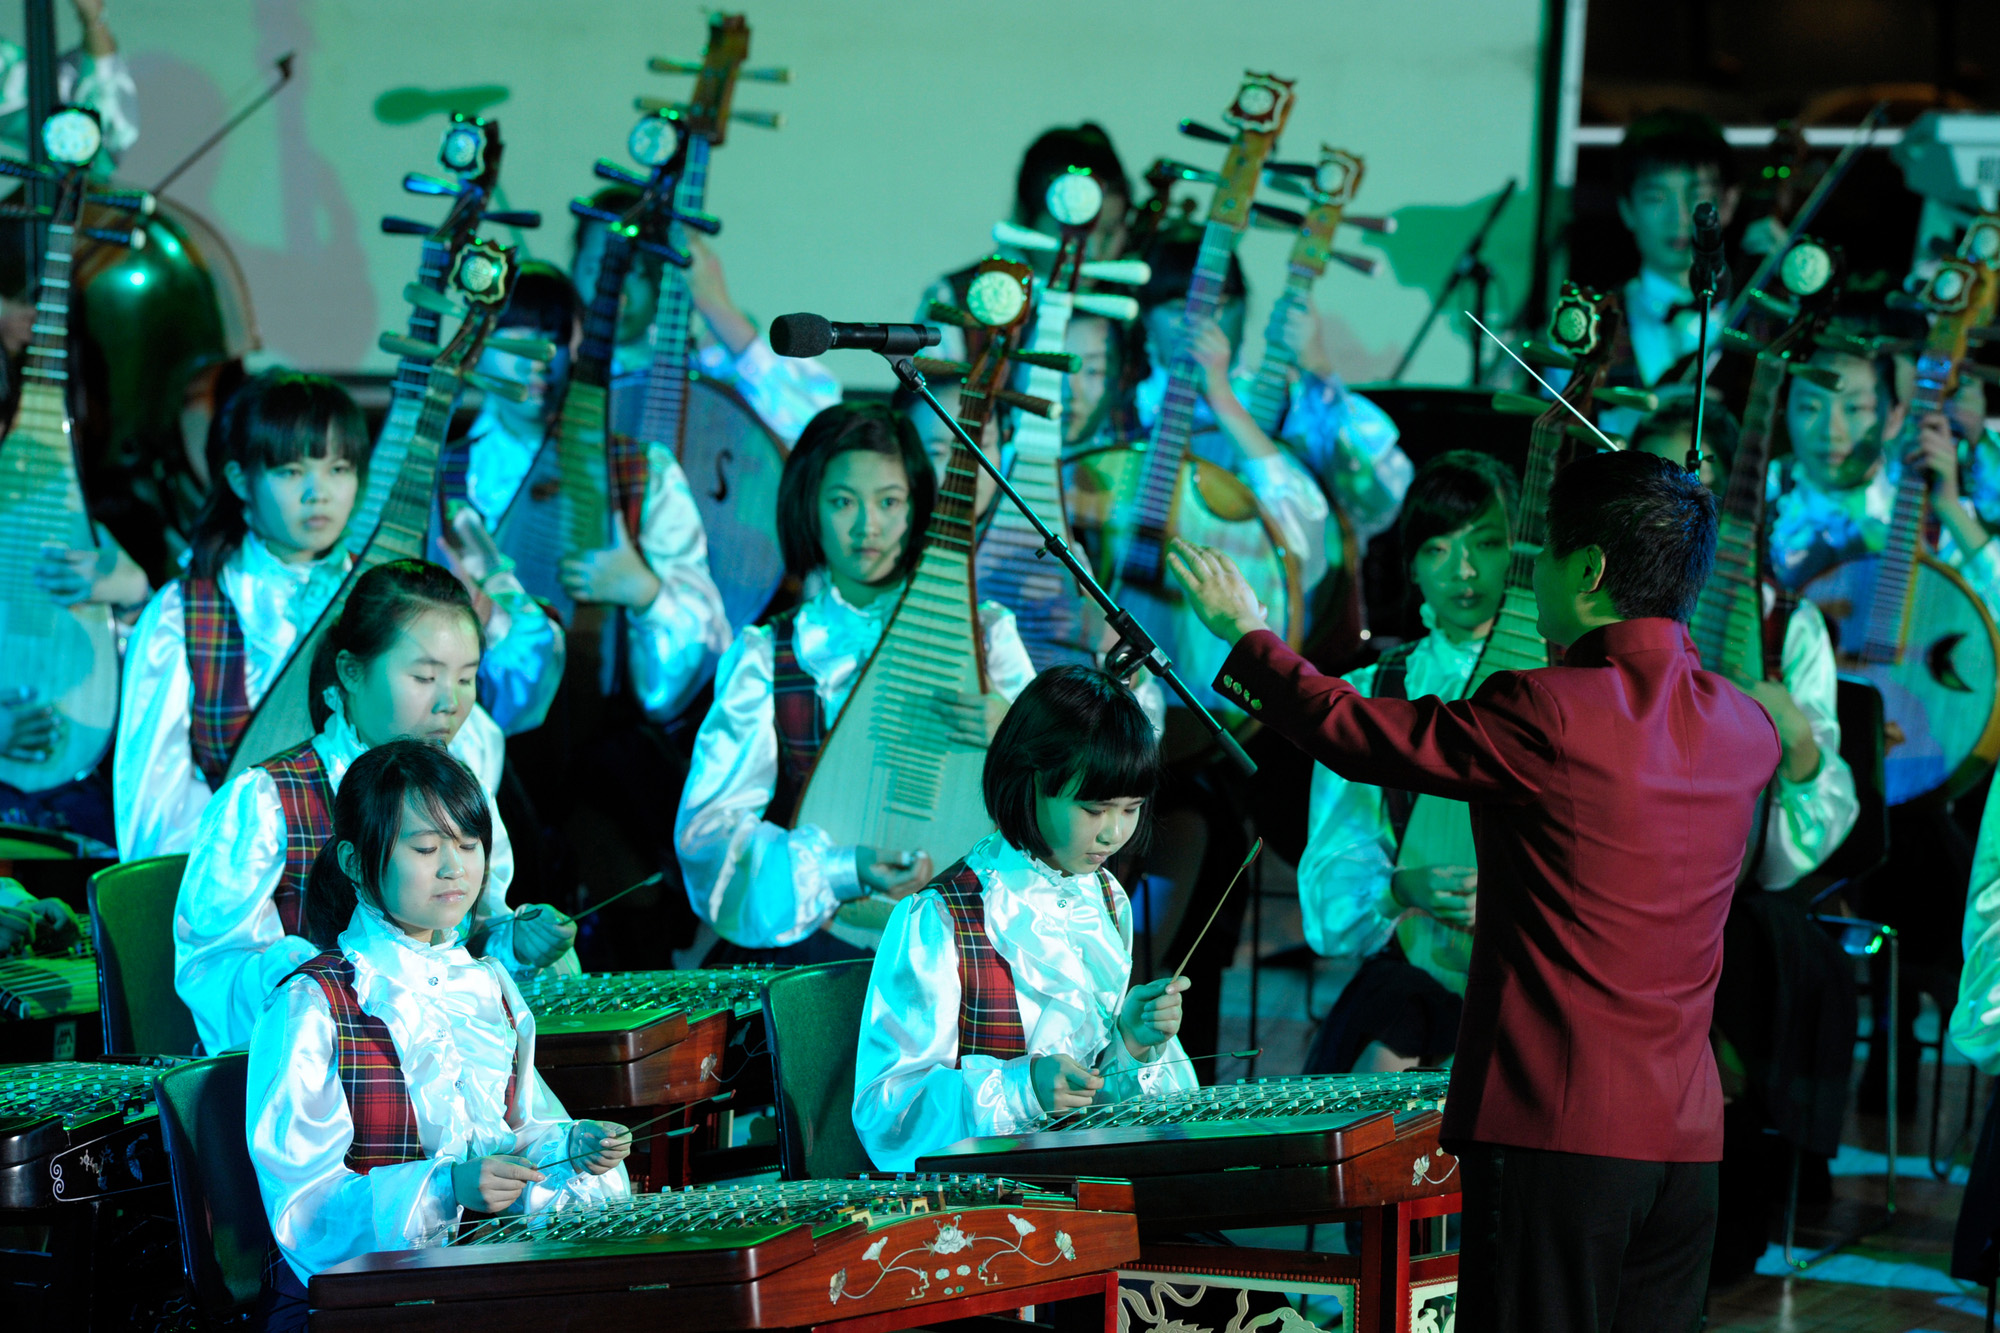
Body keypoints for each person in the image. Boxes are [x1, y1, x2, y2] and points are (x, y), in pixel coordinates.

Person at [1169, 449, 1780, 1329]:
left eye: (1537, 560)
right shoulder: (1745, 728)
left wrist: (1247, 635)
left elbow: (1353, 732)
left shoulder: (1547, 708)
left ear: (1589, 569)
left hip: (1556, 1134)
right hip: (1686, 1144)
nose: (1526, 582)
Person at [246, 740, 629, 1332]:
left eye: (469, 845)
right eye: (425, 848)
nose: (455, 868)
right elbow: (305, 1207)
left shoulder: (485, 987)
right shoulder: (313, 1004)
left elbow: (512, 1129)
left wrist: (571, 1149)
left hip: (472, 1284)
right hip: (361, 1307)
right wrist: (445, 1188)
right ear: (353, 861)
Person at [676, 402, 1035, 963]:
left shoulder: (985, 635)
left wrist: (1018, 734)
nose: (868, 526)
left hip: (966, 939)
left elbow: (1065, 807)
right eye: (843, 502)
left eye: (889, 502)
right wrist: (845, 867)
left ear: (919, 507)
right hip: (822, 939)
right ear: (809, 508)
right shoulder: (767, 654)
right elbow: (709, 833)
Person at [175, 560, 576, 1054]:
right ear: (351, 671)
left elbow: (474, 941)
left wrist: (515, 944)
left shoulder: (461, 792)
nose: (449, 702)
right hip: (311, 1077)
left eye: (467, 679)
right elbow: (213, 972)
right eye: (425, 677)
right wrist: (318, 979)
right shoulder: (267, 800)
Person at [1770, 331, 1995, 1111]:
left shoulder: (1920, 510)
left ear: (1897, 413)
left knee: (1934, 857)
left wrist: (1955, 511)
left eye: (1858, 406)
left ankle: (1905, 1035)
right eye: (1810, 404)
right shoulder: (1759, 504)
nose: (1833, 428)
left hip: (1915, 782)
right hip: (1784, 772)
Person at [853, 666, 1193, 1171]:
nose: (1113, 834)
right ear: (1029, 781)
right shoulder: (940, 918)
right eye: (1095, 809)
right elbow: (888, 1112)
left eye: (1131, 809)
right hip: (982, 1209)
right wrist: (1021, 1090)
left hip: (1086, 1184)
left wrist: (1131, 1041)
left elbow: (1098, 1092)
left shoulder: (1103, 897)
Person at [1296, 452, 1518, 1076]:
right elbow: (1335, 885)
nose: (1465, 571)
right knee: (1384, 1065)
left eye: (1488, 543)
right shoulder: (1373, 692)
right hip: (1415, 963)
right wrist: (1402, 888)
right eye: (1437, 550)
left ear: (1523, 554)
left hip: (1530, 971)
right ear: (1413, 567)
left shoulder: (1561, 685)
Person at [115, 372, 368, 861]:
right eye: (291, 471)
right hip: (231, 890)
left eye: (339, 469)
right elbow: (155, 805)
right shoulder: (184, 613)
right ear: (239, 479)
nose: (319, 493)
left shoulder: (383, 599)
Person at [572, 190, 841, 449]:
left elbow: (822, 423)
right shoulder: (552, 367)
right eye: (597, 269)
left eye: (638, 273)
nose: (617, 294)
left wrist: (718, 308)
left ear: (661, 279)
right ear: (574, 268)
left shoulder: (699, 368)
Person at [918, 124, 1133, 365]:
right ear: (1025, 218)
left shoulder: (1130, 310)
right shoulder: (953, 297)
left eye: (1109, 232)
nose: (1091, 252)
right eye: (1073, 234)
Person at [1609, 110, 1739, 393]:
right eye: (1656, 197)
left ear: (1728, 202)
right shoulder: (1594, 328)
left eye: (1697, 195)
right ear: (1627, 209)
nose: (1679, 216)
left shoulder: (1762, 322)